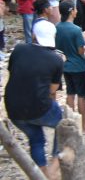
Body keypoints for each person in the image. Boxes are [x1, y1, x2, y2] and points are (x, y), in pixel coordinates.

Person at [4, 21, 63, 178]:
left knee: (36, 139)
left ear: (34, 35)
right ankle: (54, 165)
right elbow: (52, 90)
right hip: (39, 107)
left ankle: (41, 174)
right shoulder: (56, 59)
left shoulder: (19, 49)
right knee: (64, 124)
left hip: (13, 108)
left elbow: (13, 72)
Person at [55, 0, 85, 134]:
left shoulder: (57, 27)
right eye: (75, 9)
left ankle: (71, 124)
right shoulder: (76, 30)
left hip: (65, 65)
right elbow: (81, 51)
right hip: (78, 66)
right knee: (82, 96)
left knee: (70, 93)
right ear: (71, 11)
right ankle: (84, 127)